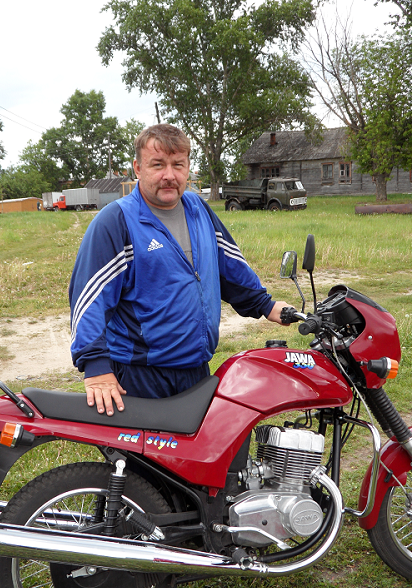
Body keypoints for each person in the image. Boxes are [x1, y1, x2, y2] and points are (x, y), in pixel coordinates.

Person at [69, 124, 291, 416]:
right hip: (140, 375)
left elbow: (229, 265)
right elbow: (90, 297)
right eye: (157, 165)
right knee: (146, 449)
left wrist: (265, 304)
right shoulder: (116, 220)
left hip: (195, 370)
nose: (169, 175)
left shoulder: (198, 209)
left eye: (178, 165)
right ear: (137, 168)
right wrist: (96, 365)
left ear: (188, 168)